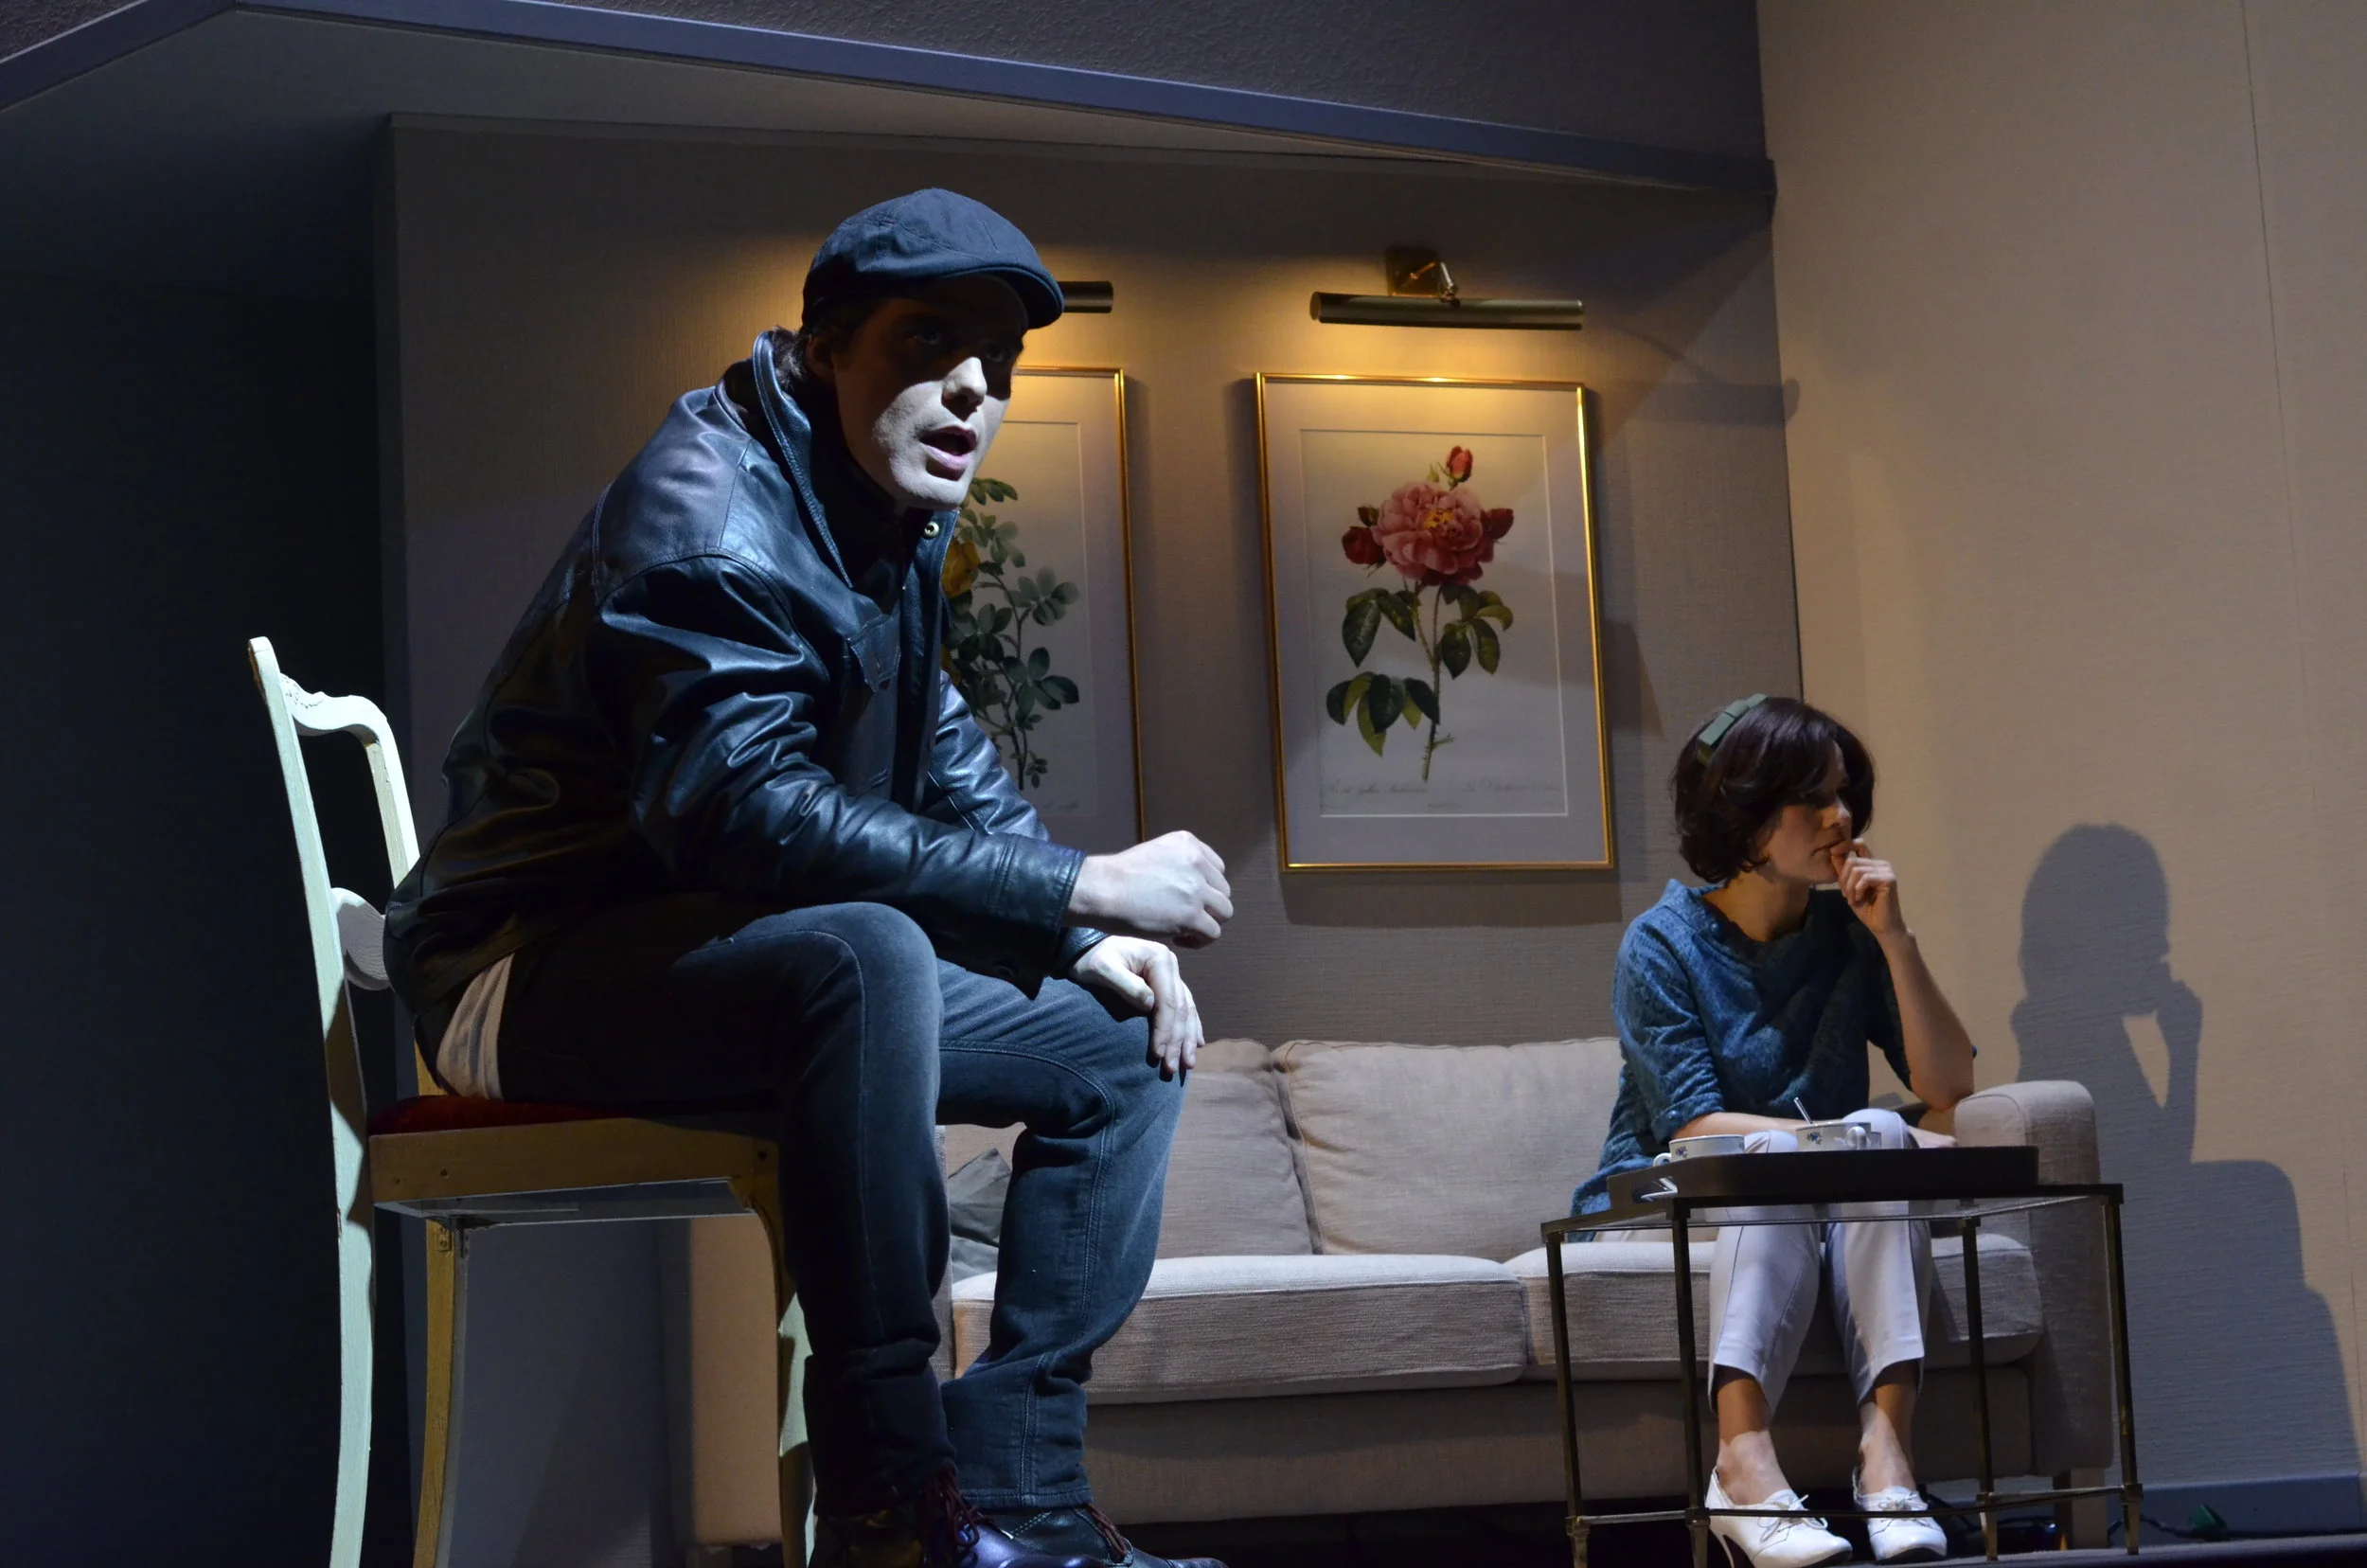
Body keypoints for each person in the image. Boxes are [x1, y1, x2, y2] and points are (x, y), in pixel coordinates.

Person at [385, 189, 1233, 1568]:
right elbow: (744, 819)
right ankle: (892, 1509)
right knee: (864, 952)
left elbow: (937, 745)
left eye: (1000, 362)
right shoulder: (709, 515)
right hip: (520, 968)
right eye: (928, 342)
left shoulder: (871, 514)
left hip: (717, 956)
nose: (974, 388)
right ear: (826, 346)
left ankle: (1021, 1497)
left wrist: (1075, 940)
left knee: (1123, 1041)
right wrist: (1079, 885)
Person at [1572, 696, 1978, 1567]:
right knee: (1801, 1154)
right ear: (1744, 814)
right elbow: (1692, 1122)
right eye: (1813, 799)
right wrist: (1855, 1142)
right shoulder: (1661, 943)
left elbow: (1949, 1082)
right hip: (1667, 1190)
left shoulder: (1847, 933)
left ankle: (1888, 1465)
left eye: (1844, 795)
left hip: (1808, 1185)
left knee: (1862, 1137)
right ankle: (1743, 1467)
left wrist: (1894, 938)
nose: (1841, 818)